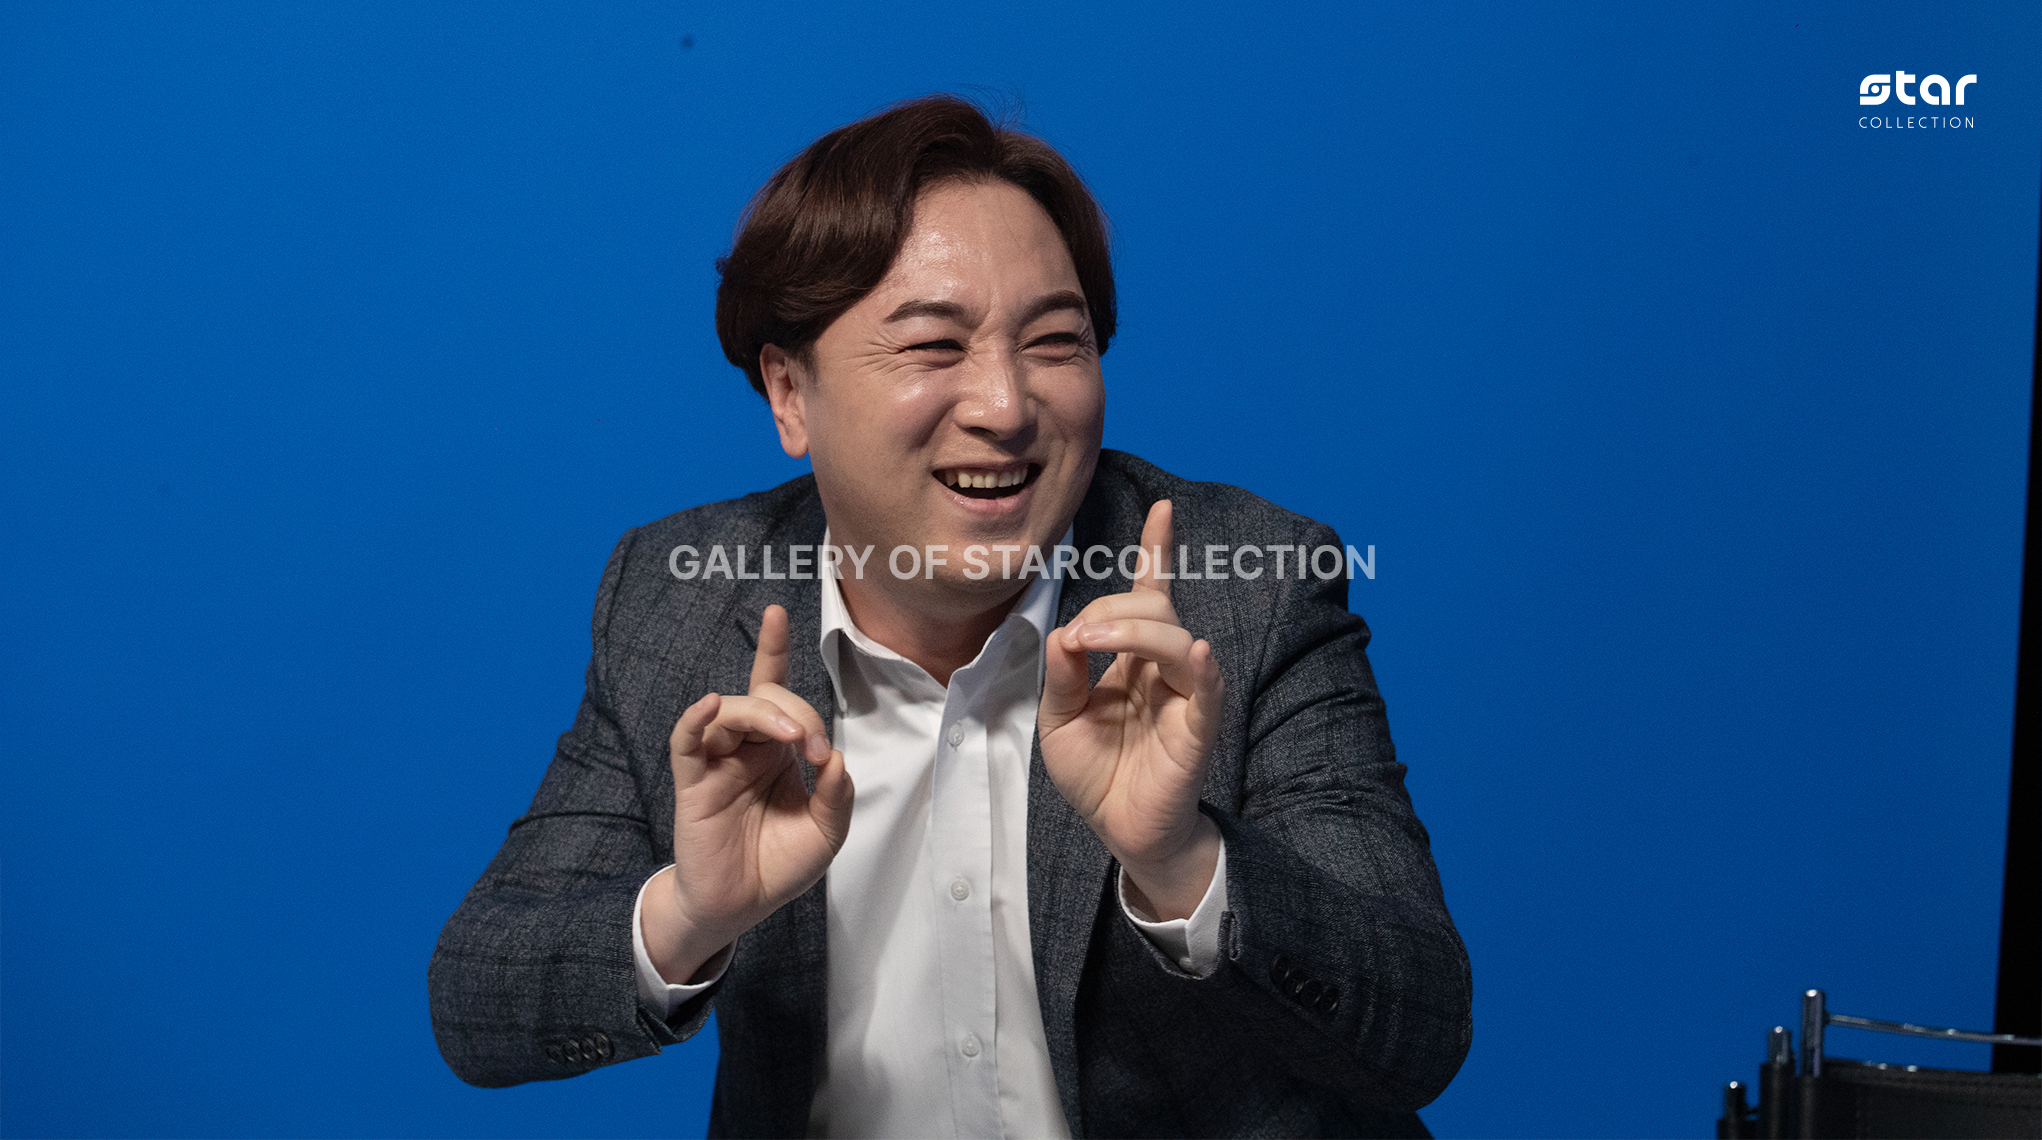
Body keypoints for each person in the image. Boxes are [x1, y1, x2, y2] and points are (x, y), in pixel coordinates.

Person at [428, 95, 1471, 1139]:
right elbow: (476, 1001)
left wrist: (1182, 861)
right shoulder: (681, 599)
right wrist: (689, 915)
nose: (1005, 408)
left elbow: (1419, 1027)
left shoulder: (1244, 590)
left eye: (1053, 341)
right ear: (788, 394)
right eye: (933, 346)